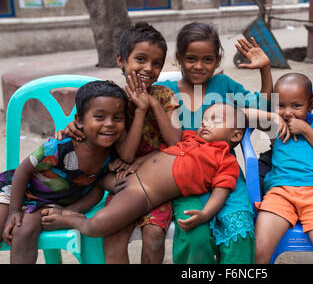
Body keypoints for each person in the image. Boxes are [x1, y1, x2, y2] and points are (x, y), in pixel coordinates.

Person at [55, 22, 181, 264]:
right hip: (123, 184)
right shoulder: (113, 101)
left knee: (154, 237)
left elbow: (176, 140)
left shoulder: (164, 95)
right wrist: (139, 110)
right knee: (113, 240)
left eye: (156, 63)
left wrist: (151, 104)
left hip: (158, 185)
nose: (148, 68)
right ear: (121, 60)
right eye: (141, 59)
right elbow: (125, 155)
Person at [154, 21, 273, 264]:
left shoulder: (224, 85)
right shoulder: (164, 92)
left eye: (208, 59)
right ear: (178, 58)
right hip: (184, 177)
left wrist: (265, 70)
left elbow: (263, 107)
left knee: (239, 228)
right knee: (194, 233)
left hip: (225, 174)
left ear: (217, 60)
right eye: (191, 59)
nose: (199, 66)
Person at [40, 103, 247, 241]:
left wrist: (205, 214)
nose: (205, 124)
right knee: (96, 182)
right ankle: (73, 207)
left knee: (97, 226)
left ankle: (72, 220)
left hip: (141, 193)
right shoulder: (191, 138)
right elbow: (163, 151)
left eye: (214, 120)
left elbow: (221, 191)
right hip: (125, 177)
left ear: (236, 134)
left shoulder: (225, 160)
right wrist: (139, 161)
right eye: (204, 120)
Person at [0, 80, 128, 263]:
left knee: (24, 230)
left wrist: (69, 211)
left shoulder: (114, 153)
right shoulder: (61, 147)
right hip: (14, 190)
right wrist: (14, 210)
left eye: (118, 118)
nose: (109, 124)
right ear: (79, 121)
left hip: (50, 203)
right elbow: (23, 170)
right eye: (99, 117)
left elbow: (97, 189)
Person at [254, 73, 313, 264]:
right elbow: (248, 114)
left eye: (297, 106)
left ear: (311, 104)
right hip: (280, 193)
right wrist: (272, 114)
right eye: (281, 105)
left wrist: (306, 130)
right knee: (258, 251)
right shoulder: (276, 126)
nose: (288, 113)